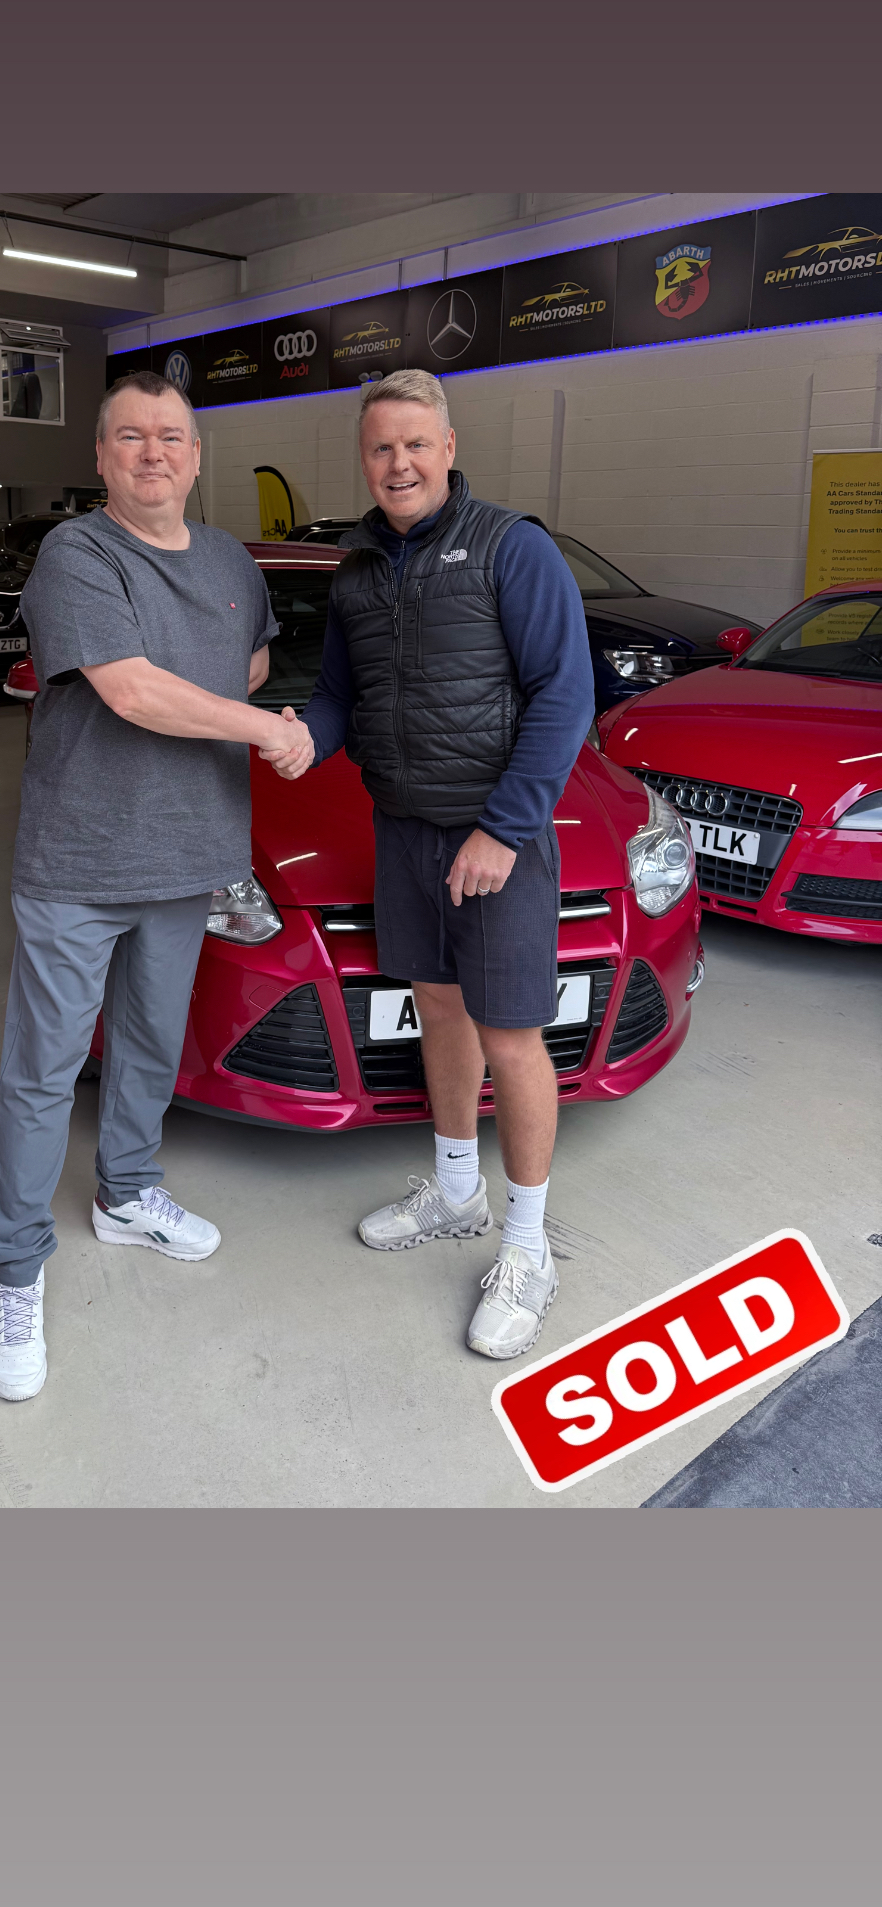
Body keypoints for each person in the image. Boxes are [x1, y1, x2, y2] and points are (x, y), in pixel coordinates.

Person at [0, 370, 312, 1400]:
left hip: (185, 858)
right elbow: (127, 689)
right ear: (101, 456)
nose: (153, 451)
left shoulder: (228, 559)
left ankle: (126, 1194)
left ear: (197, 456)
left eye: (171, 435)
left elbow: (251, 660)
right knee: (43, 1074)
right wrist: (260, 733)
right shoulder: (77, 554)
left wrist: (215, 702)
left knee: (151, 1044)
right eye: (131, 436)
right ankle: (16, 1273)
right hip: (78, 863)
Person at [277, 368, 593, 1359]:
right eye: (381, 447)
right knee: (441, 1011)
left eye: (416, 443)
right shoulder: (357, 570)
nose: (399, 462)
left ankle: (528, 1248)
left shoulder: (513, 547)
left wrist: (505, 829)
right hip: (405, 831)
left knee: (513, 1037)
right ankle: (457, 1191)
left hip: (495, 837)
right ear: (364, 459)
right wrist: (302, 737)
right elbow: (341, 695)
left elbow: (564, 693)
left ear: (449, 449)